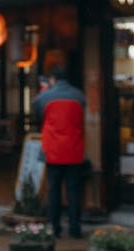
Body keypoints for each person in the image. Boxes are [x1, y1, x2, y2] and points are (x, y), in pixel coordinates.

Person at [32, 65, 87, 239]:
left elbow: (37, 110)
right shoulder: (79, 96)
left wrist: (45, 89)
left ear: (52, 79)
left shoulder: (45, 96)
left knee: (53, 191)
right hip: (74, 150)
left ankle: (54, 228)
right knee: (73, 192)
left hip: (53, 150)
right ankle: (75, 228)